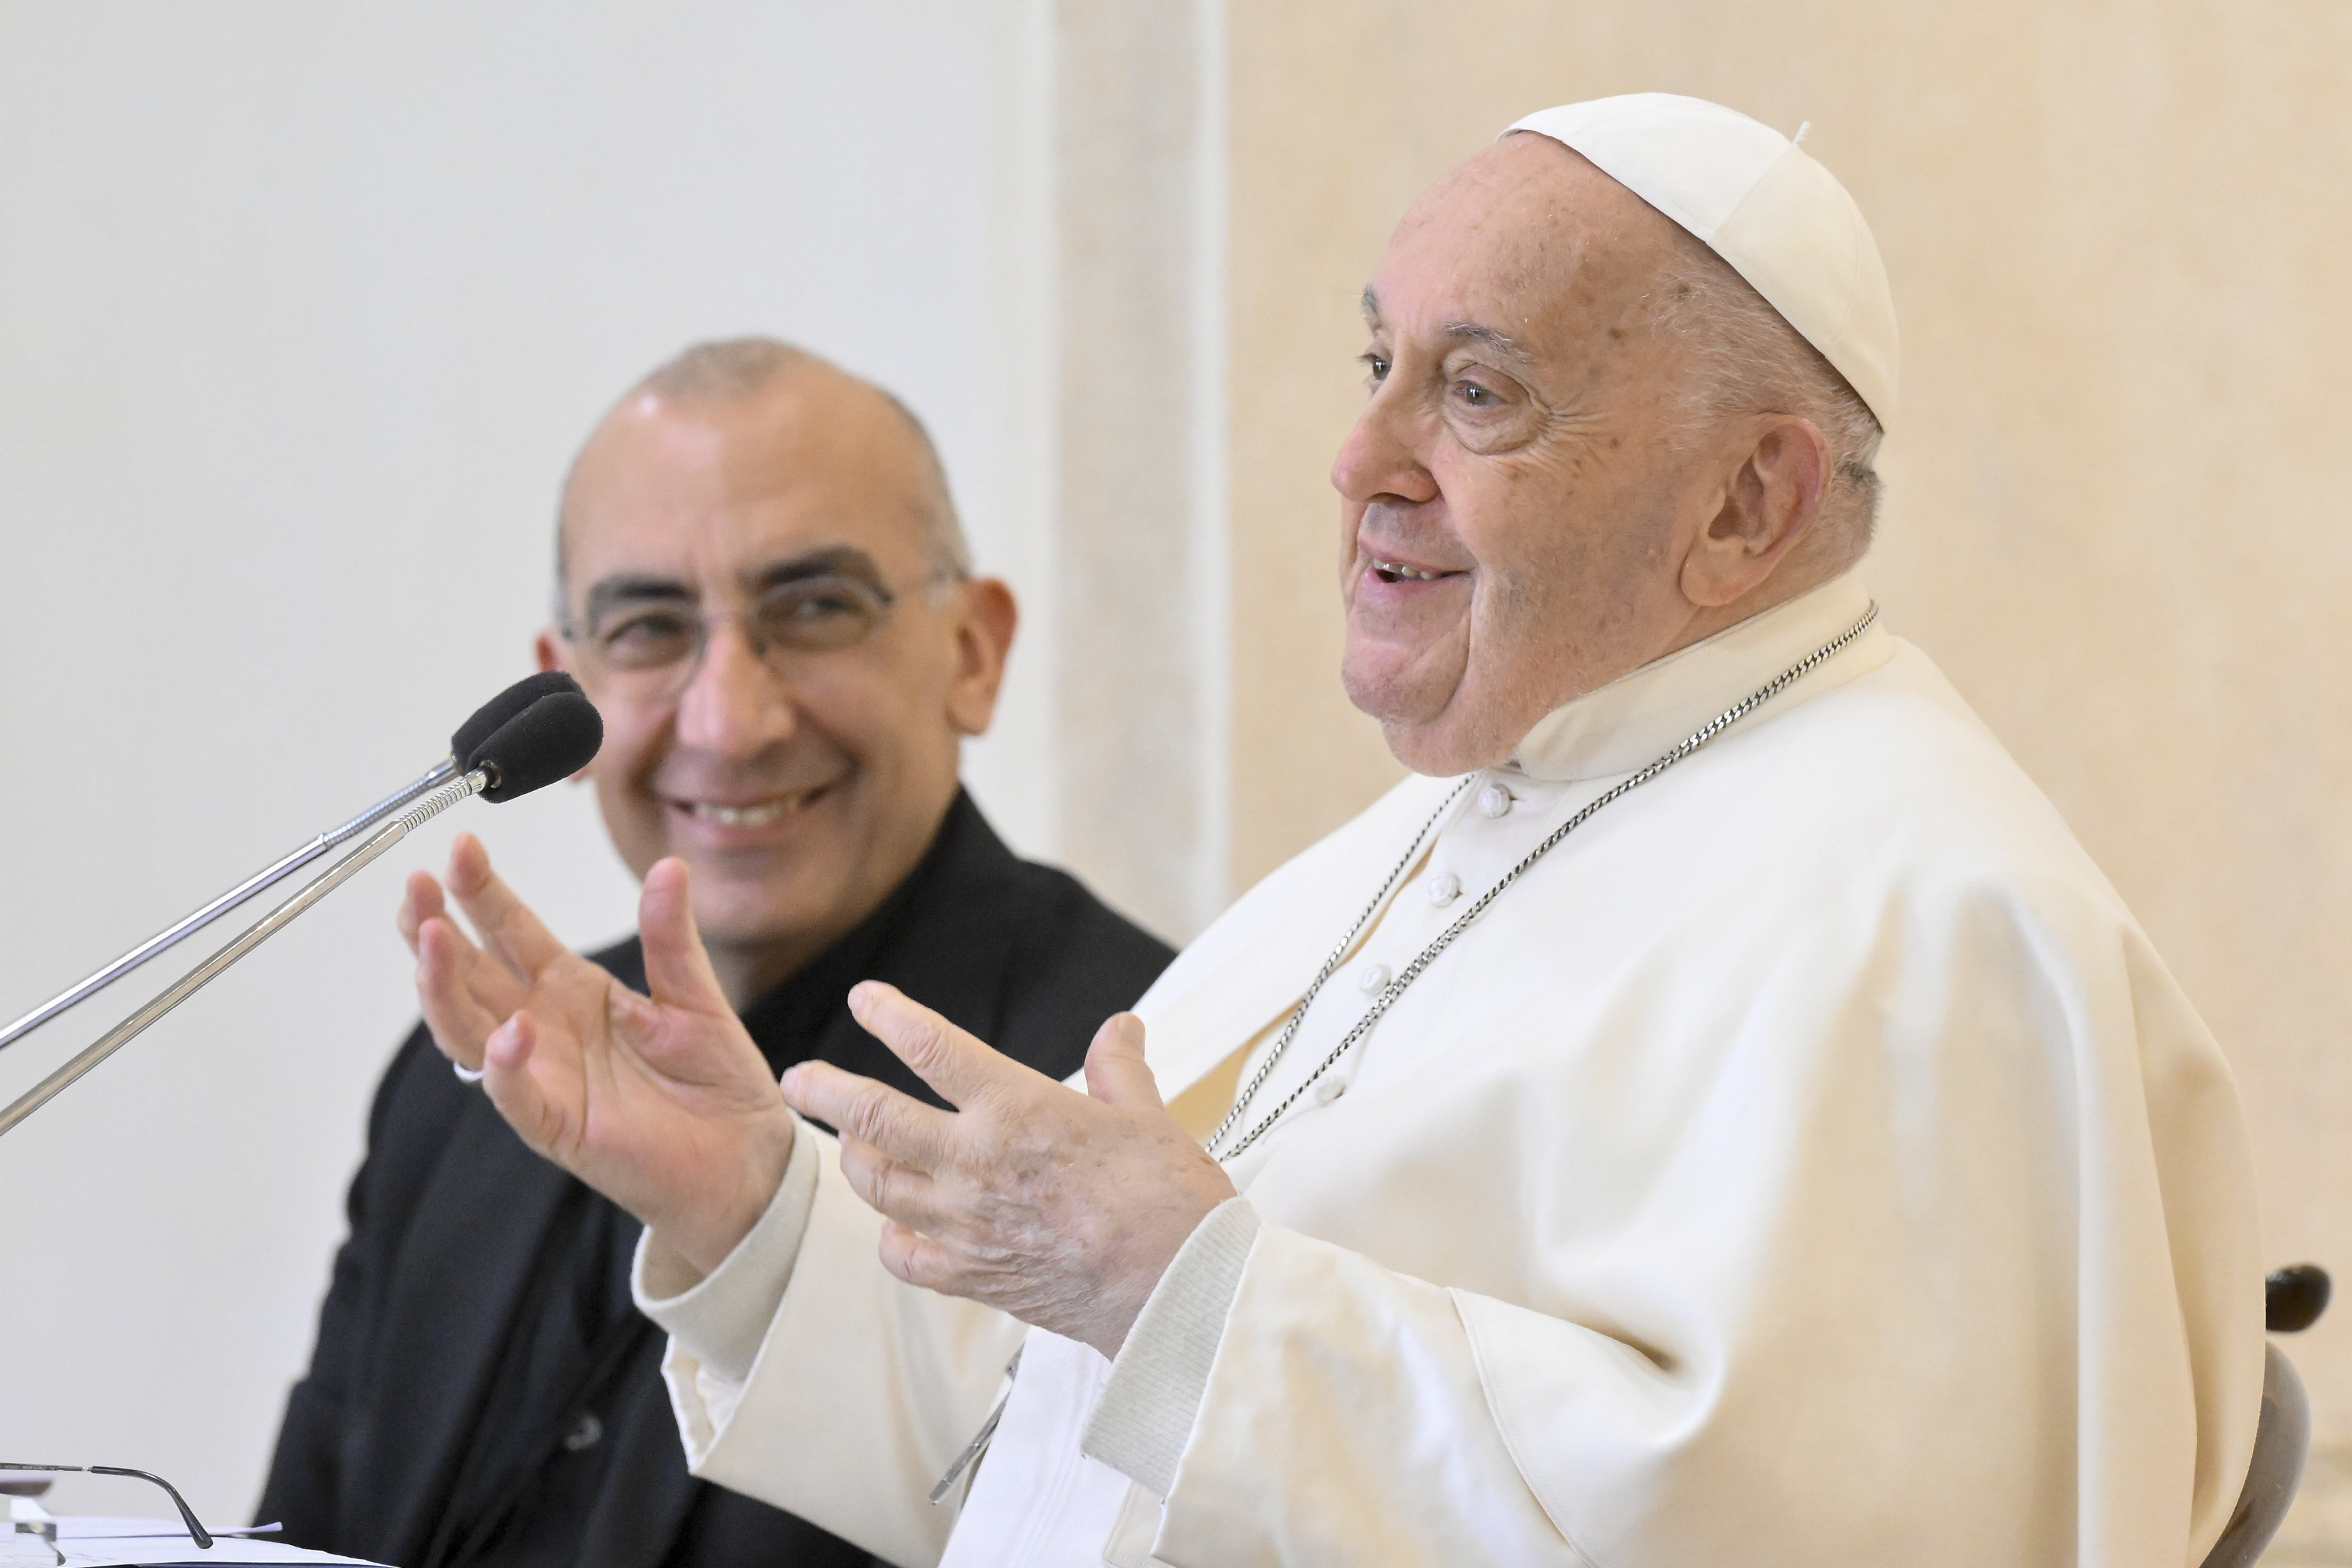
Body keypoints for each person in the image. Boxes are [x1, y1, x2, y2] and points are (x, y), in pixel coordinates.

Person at [410, 97, 2264, 1566]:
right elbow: (1039, 1456)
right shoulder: (1420, 845)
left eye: (1476, 389)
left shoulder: (1931, 926)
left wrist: (1189, 1288)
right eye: (1374, 361)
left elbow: (1792, 1537)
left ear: (1748, 497)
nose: (1362, 454)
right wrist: (751, 1210)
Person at [256, 339, 1175, 1568]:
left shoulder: (1140, 1089)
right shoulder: (463, 1089)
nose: (729, 722)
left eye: (815, 609)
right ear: (563, 692)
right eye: (648, 628)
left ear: (974, 652)